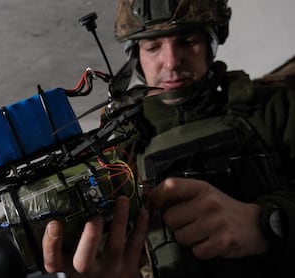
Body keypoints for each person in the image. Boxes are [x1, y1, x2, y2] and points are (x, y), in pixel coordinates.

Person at [42, 0, 295, 277]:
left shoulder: (276, 108)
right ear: (135, 56)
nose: (172, 62)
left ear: (211, 42)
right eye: (153, 47)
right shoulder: (118, 154)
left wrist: (268, 223)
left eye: (187, 41)